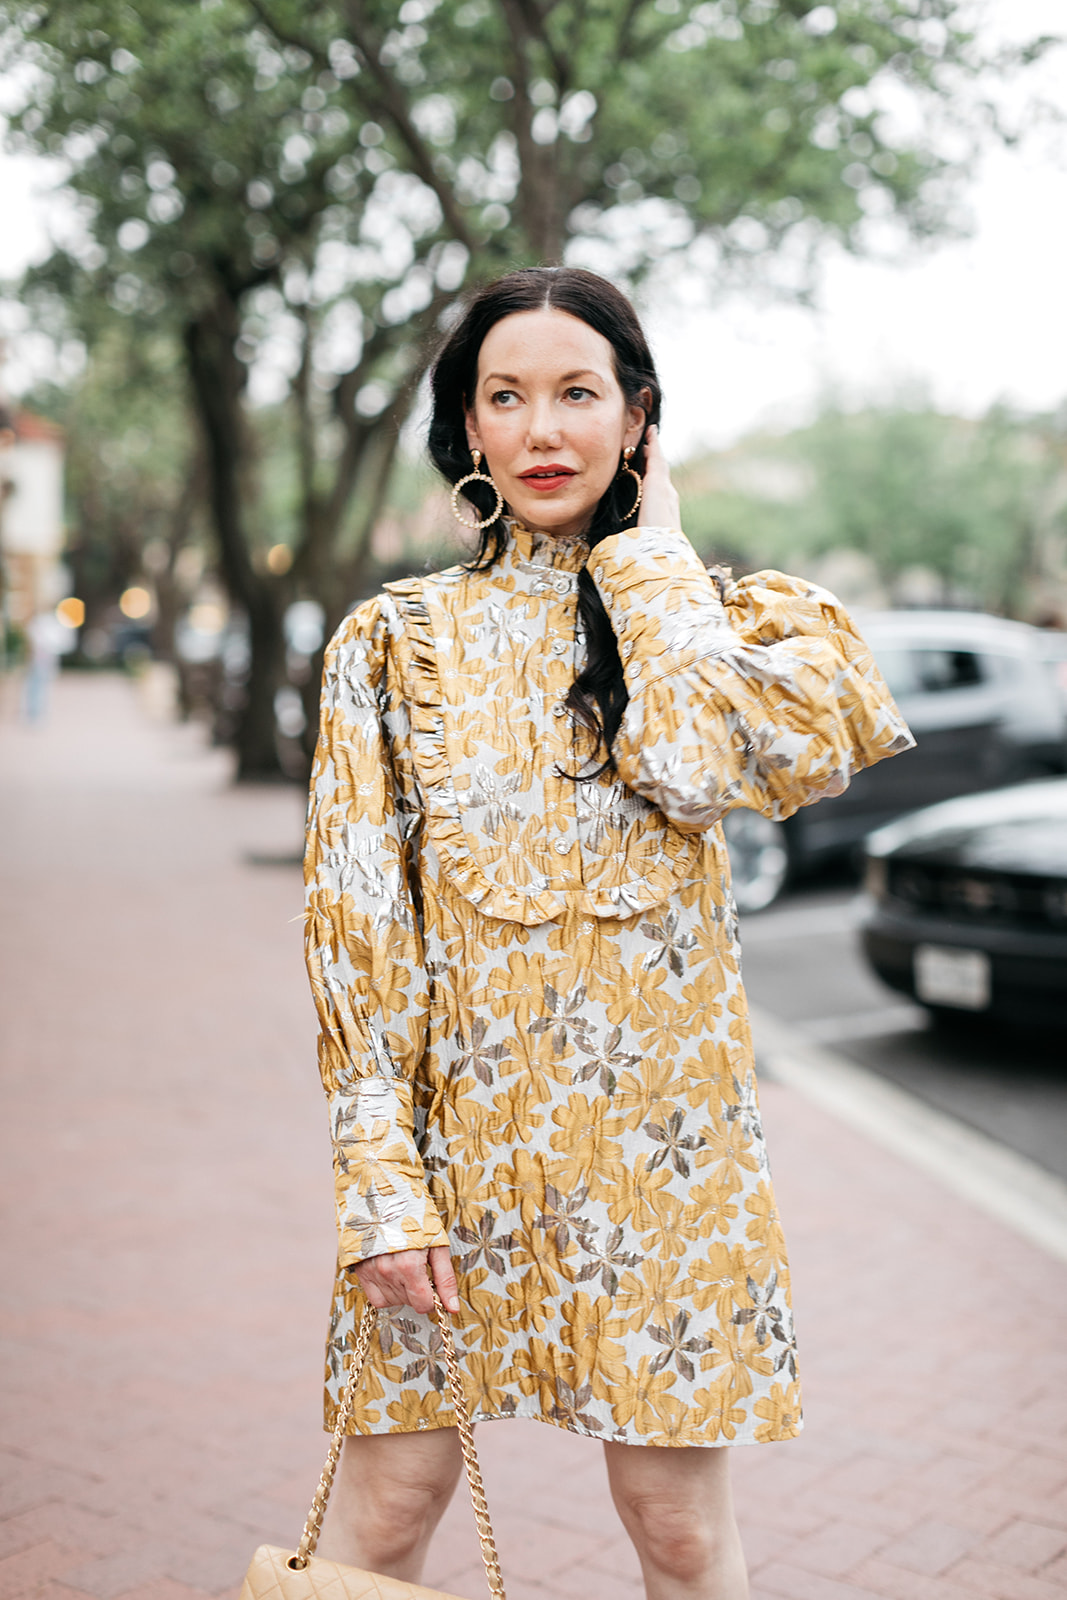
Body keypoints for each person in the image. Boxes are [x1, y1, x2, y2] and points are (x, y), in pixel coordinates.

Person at [302, 267, 913, 1600]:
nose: (541, 432)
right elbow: (357, 927)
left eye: (578, 394)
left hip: (665, 1161)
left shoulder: (736, 628)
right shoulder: (391, 645)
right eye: (503, 398)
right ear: (467, 431)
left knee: (679, 1531)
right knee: (391, 1503)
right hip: (454, 1160)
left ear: (638, 419)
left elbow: (701, 768)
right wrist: (379, 1185)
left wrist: (648, 571)